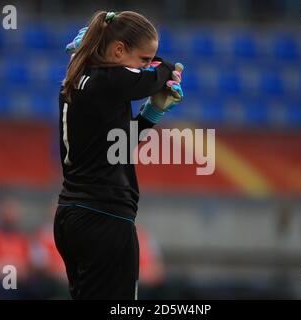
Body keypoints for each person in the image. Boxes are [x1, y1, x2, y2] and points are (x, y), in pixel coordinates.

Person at [53, 10, 184, 300]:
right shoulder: (110, 80)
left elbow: (117, 146)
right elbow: (161, 73)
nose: (147, 67)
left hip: (72, 217)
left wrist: (152, 113)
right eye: (143, 60)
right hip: (104, 218)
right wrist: (166, 69)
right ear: (118, 50)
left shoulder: (81, 77)